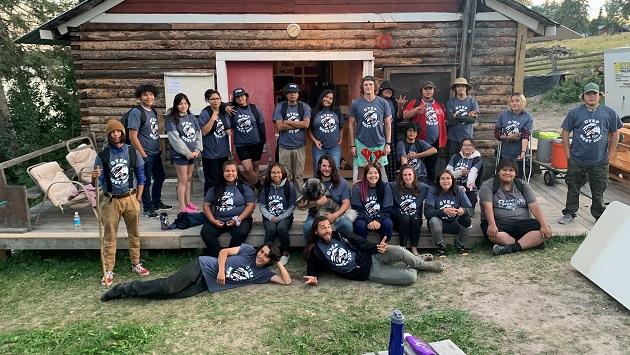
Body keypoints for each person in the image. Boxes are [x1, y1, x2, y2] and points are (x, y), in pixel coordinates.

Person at [100, 243, 291, 301]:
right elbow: (224, 252)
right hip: (203, 266)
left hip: (207, 285)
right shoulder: (249, 250)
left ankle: (135, 292)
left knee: (170, 296)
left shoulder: (263, 274)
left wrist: (278, 261)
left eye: (266, 256)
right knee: (169, 286)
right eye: (262, 251)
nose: (261, 256)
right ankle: (123, 289)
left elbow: (287, 282)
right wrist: (222, 271)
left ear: (270, 261)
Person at [303, 217, 444, 286]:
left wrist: (377, 247)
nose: (327, 230)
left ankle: (424, 265)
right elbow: (312, 268)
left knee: (399, 250)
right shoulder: (316, 250)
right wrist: (313, 277)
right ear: (316, 231)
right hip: (368, 272)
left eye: (328, 226)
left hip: (372, 256)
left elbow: (360, 242)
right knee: (410, 278)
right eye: (323, 228)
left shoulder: (340, 234)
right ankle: (415, 263)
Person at [92, 119, 149, 287]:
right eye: (112, 132)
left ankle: (136, 263)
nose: (116, 134)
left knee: (135, 233)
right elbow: (97, 181)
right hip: (110, 200)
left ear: (123, 133)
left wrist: (138, 197)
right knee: (109, 236)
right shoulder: (102, 155)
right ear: (109, 135)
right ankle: (108, 269)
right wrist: (94, 177)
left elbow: (141, 174)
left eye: (118, 131)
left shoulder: (132, 152)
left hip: (130, 198)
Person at [559, 83, 622, 223]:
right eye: (588, 94)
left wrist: (610, 156)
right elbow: (565, 132)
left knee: (598, 190)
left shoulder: (609, 113)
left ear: (600, 96)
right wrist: (568, 155)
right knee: (573, 187)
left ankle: (599, 215)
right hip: (577, 159)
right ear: (583, 96)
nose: (592, 96)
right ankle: (570, 213)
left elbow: (615, 134)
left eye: (595, 93)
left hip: (600, 161)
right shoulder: (574, 113)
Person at [479, 159, 552, 256]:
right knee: (494, 235)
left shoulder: (522, 185)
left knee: (546, 230)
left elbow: (534, 206)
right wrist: (492, 225)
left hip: (522, 223)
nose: (507, 173)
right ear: (498, 172)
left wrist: (543, 224)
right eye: (504, 170)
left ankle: (510, 248)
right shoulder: (488, 185)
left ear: (516, 173)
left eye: (511, 170)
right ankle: (529, 243)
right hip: (500, 224)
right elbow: (487, 206)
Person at [126, 84, 171, 218]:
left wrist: (158, 147)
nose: (149, 97)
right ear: (139, 97)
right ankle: (147, 208)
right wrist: (143, 154)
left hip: (155, 152)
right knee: (145, 181)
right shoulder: (136, 112)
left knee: (160, 176)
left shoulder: (153, 111)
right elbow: (132, 136)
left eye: (151, 94)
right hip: (144, 153)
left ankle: (156, 202)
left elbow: (153, 131)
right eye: (145, 94)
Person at [200, 160, 256, 257]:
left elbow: (251, 205)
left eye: (233, 171)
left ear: (237, 173)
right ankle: (218, 257)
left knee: (240, 233)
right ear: (222, 173)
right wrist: (213, 221)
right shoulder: (214, 188)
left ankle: (229, 257)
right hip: (218, 219)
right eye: (227, 171)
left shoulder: (244, 187)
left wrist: (238, 219)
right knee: (206, 233)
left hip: (239, 219)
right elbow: (206, 205)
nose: (230, 173)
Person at [347, 75, 393, 182]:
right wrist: (352, 145)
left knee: (380, 170)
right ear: (362, 87)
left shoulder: (383, 102)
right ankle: (360, 195)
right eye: (365, 85)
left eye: (370, 84)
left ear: (374, 86)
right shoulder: (356, 104)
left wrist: (388, 144)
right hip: (361, 142)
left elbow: (387, 124)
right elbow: (351, 124)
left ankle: (382, 196)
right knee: (362, 171)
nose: (368, 87)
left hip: (379, 142)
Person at [299, 155, 354, 239]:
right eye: (324, 166)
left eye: (330, 166)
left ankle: (346, 248)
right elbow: (300, 205)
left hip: (337, 215)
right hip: (316, 216)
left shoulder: (343, 182)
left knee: (347, 224)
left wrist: (334, 215)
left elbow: (346, 203)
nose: (327, 169)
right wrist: (316, 202)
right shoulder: (311, 182)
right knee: (308, 227)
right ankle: (311, 250)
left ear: (333, 167)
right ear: (319, 166)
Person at [403, 81, 447, 184]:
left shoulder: (440, 105)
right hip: (419, 142)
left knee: (431, 168)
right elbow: (405, 116)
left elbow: (443, 123)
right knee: (416, 168)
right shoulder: (415, 102)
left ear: (433, 90)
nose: (428, 91)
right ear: (421, 91)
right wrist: (418, 109)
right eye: (425, 89)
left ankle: (430, 190)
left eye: (430, 89)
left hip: (434, 142)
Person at [165, 93, 202, 213]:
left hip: (192, 153)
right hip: (180, 154)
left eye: (185, 103)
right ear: (176, 105)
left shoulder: (192, 117)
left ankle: (188, 202)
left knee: (189, 178)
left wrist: (197, 149)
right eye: (180, 103)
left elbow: (198, 134)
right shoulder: (171, 119)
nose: (183, 106)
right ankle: (182, 207)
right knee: (183, 179)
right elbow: (174, 138)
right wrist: (186, 152)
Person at [424, 170, 473, 257]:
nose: (445, 181)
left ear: (452, 180)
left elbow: (470, 210)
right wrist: (443, 211)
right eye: (442, 179)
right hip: (439, 225)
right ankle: (440, 247)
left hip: (455, 223)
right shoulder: (432, 190)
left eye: (448, 178)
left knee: (466, 218)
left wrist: (463, 211)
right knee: (433, 220)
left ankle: (461, 246)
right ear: (438, 181)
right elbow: (427, 213)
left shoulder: (458, 190)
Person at [273, 83, 311, 191]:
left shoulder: (304, 107)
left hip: (299, 147)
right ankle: (286, 197)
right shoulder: (281, 106)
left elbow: (306, 124)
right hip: (284, 147)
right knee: (285, 175)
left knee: (298, 175)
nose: (293, 95)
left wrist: (288, 122)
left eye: (295, 93)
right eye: (290, 93)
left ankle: (299, 198)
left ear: (298, 94)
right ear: (286, 95)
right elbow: (279, 126)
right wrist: (298, 123)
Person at [258, 163, 297, 265]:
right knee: (271, 229)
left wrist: (280, 217)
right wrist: (270, 216)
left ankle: (285, 252)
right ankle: (265, 253)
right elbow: (262, 205)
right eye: (273, 172)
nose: (276, 175)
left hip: (285, 216)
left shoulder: (289, 187)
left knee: (281, 228)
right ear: (269, 174)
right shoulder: (265, 187)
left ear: (283, 173)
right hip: (269, 216)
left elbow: (292, 206)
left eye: (278, 172)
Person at [389, 164, 430, 255]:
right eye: (405, 175)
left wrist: (457, 188)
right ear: (401, 176)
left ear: (414, 175)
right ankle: (402, 247)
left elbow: (437, 190)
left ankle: (414, 248)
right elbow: (380, 185)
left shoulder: (423, 187)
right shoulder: (393, 186)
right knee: (405, 217)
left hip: (415, 219)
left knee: (414, 218)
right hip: (398, 220)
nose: (407, 177)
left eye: (410, 174)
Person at [230, 88, 266, 186]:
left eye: (242, 96)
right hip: (241, 145)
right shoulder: (232, 110)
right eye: (237, 97)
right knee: (247, 168)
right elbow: (220, 105)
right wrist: (226, 107)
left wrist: (262, 141)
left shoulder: (254, 109)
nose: (240, 98)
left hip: (256, 143)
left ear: (246, 96)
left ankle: (251, 188)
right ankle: (257, 185)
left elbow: (261, 125)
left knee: (256, 166)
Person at [350, 162, 394, 241]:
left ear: (379, 174)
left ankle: (383, 245)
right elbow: (357, 210)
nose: (373, 176)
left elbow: (387, 209)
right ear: (365, 175)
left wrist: (377, 220)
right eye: (370, 173)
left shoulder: (385, 187)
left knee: (388, 224)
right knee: (360, 225)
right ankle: (362, 248)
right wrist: (368, 220)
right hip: (363, 218)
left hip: (381, 217)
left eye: (375, 173)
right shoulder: (358, 188)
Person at [199, 89, 231, 194]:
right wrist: (212, 119)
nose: (215, 101)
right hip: (210, 152)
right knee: (211, 180)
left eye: (218, 98)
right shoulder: (205, 113)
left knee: (223, 177)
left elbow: (228, 125)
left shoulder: (224, 112)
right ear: (207, 100)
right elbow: (203, 132)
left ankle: (221, 197)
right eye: (212, 99)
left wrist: (228, 130)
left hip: (223, 151)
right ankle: (210, 200)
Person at [494, 93, 533, 179]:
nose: (514, 103)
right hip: (504, 152)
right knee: (503, 175)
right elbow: (497, 133)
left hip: (518, 152)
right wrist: (507, 137)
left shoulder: (527, 117)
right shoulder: (503, 115)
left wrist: (523, 152)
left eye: (517, 101)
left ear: (522, 102)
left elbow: (525, 136)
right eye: (512, 101)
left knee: (516, 177)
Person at [377, 80, 407, 181]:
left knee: (391, 163)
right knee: (378, 163)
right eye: (386, 89)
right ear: (381, 90)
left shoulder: (394, 101)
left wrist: (400, 107)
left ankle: (391, 183)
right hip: (378, 134)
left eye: (390, 90)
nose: (389, 91)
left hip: (391, 135)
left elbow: (399, 118)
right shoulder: (376, 100)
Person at [309, 89, 344, 172]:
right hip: (319, 148)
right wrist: (314, 141)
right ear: (322, 97)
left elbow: (341, 126)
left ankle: (334, 185)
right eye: (326, 97)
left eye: (331, 98)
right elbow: (309, 129)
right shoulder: (314, 111)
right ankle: (318, 186)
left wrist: (341, 138)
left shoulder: (336, 111)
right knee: (318, 171)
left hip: (334, 147)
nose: (328, 99)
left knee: (335, 171)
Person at [446, 138, 484, 212]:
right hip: (454, 187)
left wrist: (468, 185)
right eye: (464, 145)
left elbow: (473, 172)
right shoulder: (455, 157)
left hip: (469, 189)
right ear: (461, 147)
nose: (467, 147)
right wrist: (460, 173)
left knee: (467, 212)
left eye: (469, 145)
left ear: (473, 148)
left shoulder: (477, 159)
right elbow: (447, 173)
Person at [446, 77, 479, 159]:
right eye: (458, 86)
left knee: (466, 162)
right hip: (453, 138)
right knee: (451, 162)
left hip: (467, 139)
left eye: (463, 86)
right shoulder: (451, 102)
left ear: (466, 88)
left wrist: (457, 116)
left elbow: (472, 120)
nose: (460, 88)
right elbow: (450, 121)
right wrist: (467, 116)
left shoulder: (472, 102)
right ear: (455, 89)